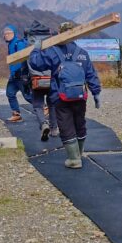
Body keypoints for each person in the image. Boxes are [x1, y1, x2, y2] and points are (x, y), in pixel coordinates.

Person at [28, 21, 101, 169]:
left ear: (60, 33)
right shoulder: (82, 53)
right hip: (80, 96)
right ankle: (79, 153)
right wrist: (96, 93)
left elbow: (36, 63)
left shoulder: (53, 51)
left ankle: (73, 160)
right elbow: (91, 75)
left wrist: (36, 49)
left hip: (60, 96)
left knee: (66, 125)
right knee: (80, 123)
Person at [24, 20, 58, 142]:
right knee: (52, 104)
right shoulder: (52, 43)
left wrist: (24, 79)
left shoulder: (30, 45)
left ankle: (43, 124)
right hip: (51, 78)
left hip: (37, 79)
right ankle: (54, 129)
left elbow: (25, 64)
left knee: (38, 104)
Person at [3, 24, 29, 122]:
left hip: (20, 75)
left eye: (9, 33)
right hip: (14, 75)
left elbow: (22, 59)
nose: (7, 35)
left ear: (14, 33)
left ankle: (44, 108)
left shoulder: (19, 43)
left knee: (28, 96)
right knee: (10, 93)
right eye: (5, 33)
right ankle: (16, 114)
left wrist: (19, 71)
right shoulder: (10, 44)